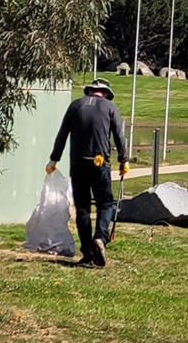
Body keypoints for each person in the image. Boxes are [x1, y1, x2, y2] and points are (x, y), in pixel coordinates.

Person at [46, 78, 129, 267]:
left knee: (82, 207)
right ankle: (100, 237)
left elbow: (62, 133)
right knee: (105, 204)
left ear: (89, 91)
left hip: (78, 164)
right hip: (100, 163)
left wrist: (54, 159)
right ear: (106, 93)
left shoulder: (75, 106)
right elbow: (119, 134)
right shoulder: (110, 107)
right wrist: (124, 160)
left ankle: (88, 251)